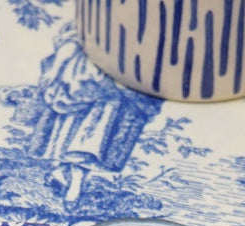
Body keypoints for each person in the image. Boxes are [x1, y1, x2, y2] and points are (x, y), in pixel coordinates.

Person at [26, 24, 159, 204]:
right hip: (85, 78)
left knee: (92, 137)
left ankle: (67, 178)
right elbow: (71, 40)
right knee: (79, 134)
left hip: (113, 85)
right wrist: (56, 72)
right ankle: (71, 183)